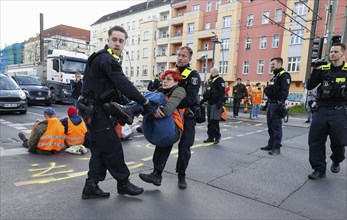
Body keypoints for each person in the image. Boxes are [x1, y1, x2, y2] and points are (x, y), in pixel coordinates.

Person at [80, 25, 153, 199]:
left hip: (93, 110)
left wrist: (130, 103)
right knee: (112, 147)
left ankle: (91, 185)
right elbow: (123, 84)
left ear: (125, 42)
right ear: (108, 40)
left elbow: (116, 90)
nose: (117, 43)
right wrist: (145, 102)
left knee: (99, 149)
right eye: (114, 39)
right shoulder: (107, 59)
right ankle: (123, 183)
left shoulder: (106, 59)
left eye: (121, 41)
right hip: (95, 111)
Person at [138, 46, 201, 189]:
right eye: (179, 55)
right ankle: (156, 174)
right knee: (164, 140)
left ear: (189, 59)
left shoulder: (193, 75)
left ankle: (181, 175)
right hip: (172, 112)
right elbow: (158, 90)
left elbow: (191, 98)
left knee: (185, 145)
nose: (180, 58)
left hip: (188, 114)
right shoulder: (171, 73)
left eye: (184, 56)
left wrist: (172, 104)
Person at [307, 42, 347, 180]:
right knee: (315, 140)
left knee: (340, 142)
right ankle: (319, 169)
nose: (332, 54)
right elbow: (310, 86)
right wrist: (315, 70)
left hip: (340, 110)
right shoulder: (323, 69)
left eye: (336, 52)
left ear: (343, 53)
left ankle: (337, 159)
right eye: (331, 52)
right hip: (322, 108)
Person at [261, 57, 291, 155]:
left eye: (273, 64)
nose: (271, 66)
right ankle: (271, 144)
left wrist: (281, 102)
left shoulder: (284, 75)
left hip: (277, 104)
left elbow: (285, 90)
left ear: (279, 64)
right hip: (271, 103)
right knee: (270, 126)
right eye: (271, 64)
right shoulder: (275, 76)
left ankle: (277, 147)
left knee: (276, 127)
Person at [200, 67, 225, 144]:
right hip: (210, 104)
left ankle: (217, 136)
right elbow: (207, 93)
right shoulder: (210, 81)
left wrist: (219, 103)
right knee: (210, 122)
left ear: (212, 73)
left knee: (215, 121)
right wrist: (202, 101)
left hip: (216, 104)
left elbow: (222, 93)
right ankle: (210, 137)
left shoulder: (220, 80)